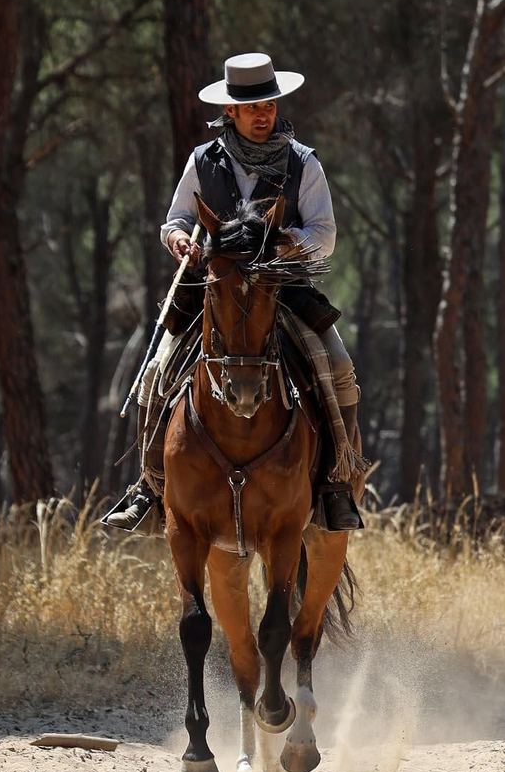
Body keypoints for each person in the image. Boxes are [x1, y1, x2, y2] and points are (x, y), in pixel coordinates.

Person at [102, 52, 364, 533]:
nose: (264, 114)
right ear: (231, 112)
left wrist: (286, 241)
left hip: (282, 290)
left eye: (269, 105)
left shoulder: (303, 163)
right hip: (214, 291)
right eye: (252, 108)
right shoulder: (202, 161)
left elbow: (324, 234)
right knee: (155, 371)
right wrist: (179, 238)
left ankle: (336, 484)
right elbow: (176, 219)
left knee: (340, 366)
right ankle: (148, 486)